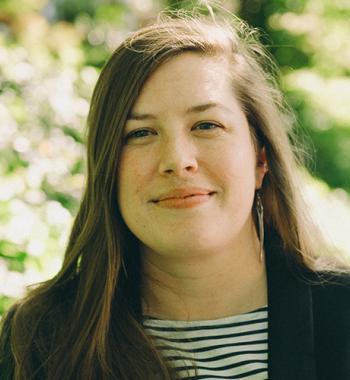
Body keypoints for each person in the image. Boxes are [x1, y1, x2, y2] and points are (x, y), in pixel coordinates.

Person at [0, 9, 349, 380]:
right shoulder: (39, 340)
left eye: (206, 125)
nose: (177, 161)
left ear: (260, 159)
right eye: (140, 134)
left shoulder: (342, 313)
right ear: (108, 169)